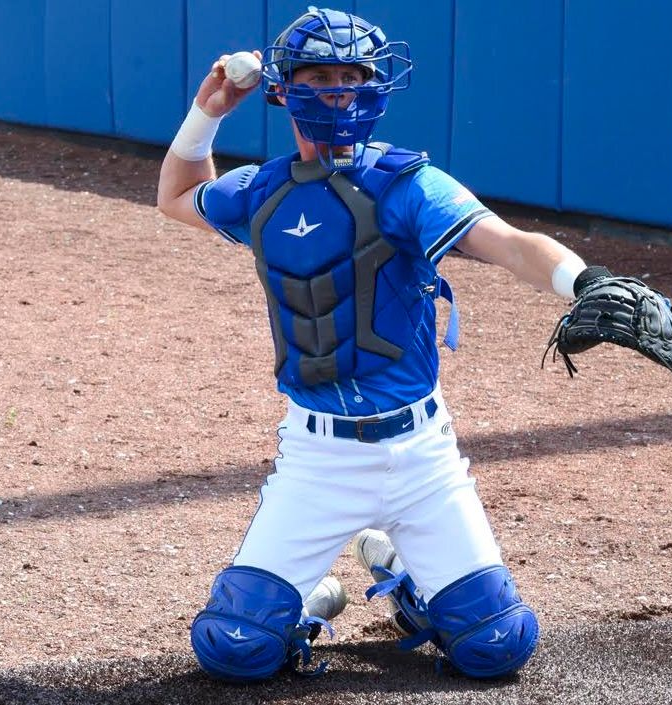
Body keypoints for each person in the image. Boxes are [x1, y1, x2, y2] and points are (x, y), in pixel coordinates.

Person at [156, 6, 600, 682]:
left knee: (497, 644)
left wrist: (583, 281)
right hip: (317, 458)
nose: (339, 90)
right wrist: (206, 112)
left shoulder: (406, 183)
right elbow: (177, 195)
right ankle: (311, 600)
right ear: (285, 88)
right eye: (321, 75)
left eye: (352, 75)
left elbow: (507, 243)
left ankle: (400, 571)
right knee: (233, 646)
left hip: (421, 456)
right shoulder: (262, 191)